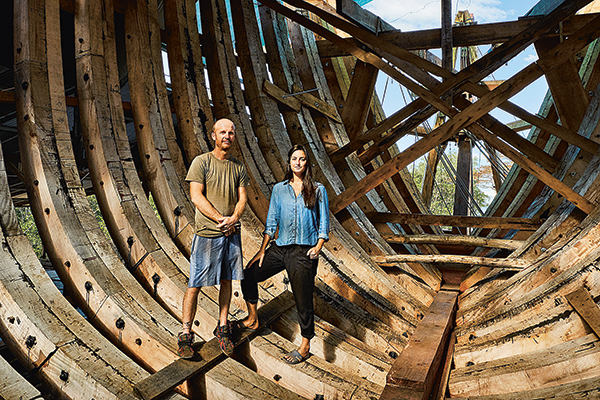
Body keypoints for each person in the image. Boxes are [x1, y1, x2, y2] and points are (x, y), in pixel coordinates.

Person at [237, 144, 329, 364]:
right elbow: (271, 221)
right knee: (249, 273)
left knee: (303, 299)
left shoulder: (318, 190)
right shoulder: (279, 189)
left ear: (308, 163)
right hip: (280, 248)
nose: (298, 162)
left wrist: (318, 247)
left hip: (303, 252)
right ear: (289, 162)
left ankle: (305, 345)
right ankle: (252, 319)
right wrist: (262, 250)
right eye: (294, 158)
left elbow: (324, 222)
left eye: (302, 159)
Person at [178, 118, 249, 358]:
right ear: (213, 136)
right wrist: (222, 219)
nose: (227, 136)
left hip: (231, 233)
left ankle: (222, 326)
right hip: (208, 233)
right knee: (195, 284)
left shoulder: (238, 167)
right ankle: (186, 333)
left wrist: (234, 218)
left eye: (231, 132)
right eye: (222, 132)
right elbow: (196, 196)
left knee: (227, 281)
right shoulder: (202, 162)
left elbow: (242, 199)